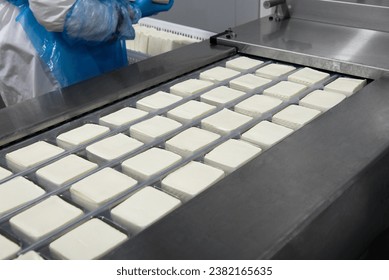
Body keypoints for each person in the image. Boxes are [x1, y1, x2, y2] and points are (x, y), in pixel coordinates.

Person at [0, 0, 174, 107]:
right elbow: (56, 11)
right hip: (38, 43)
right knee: (54, 136)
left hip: (89, 37)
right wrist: (129, 12)